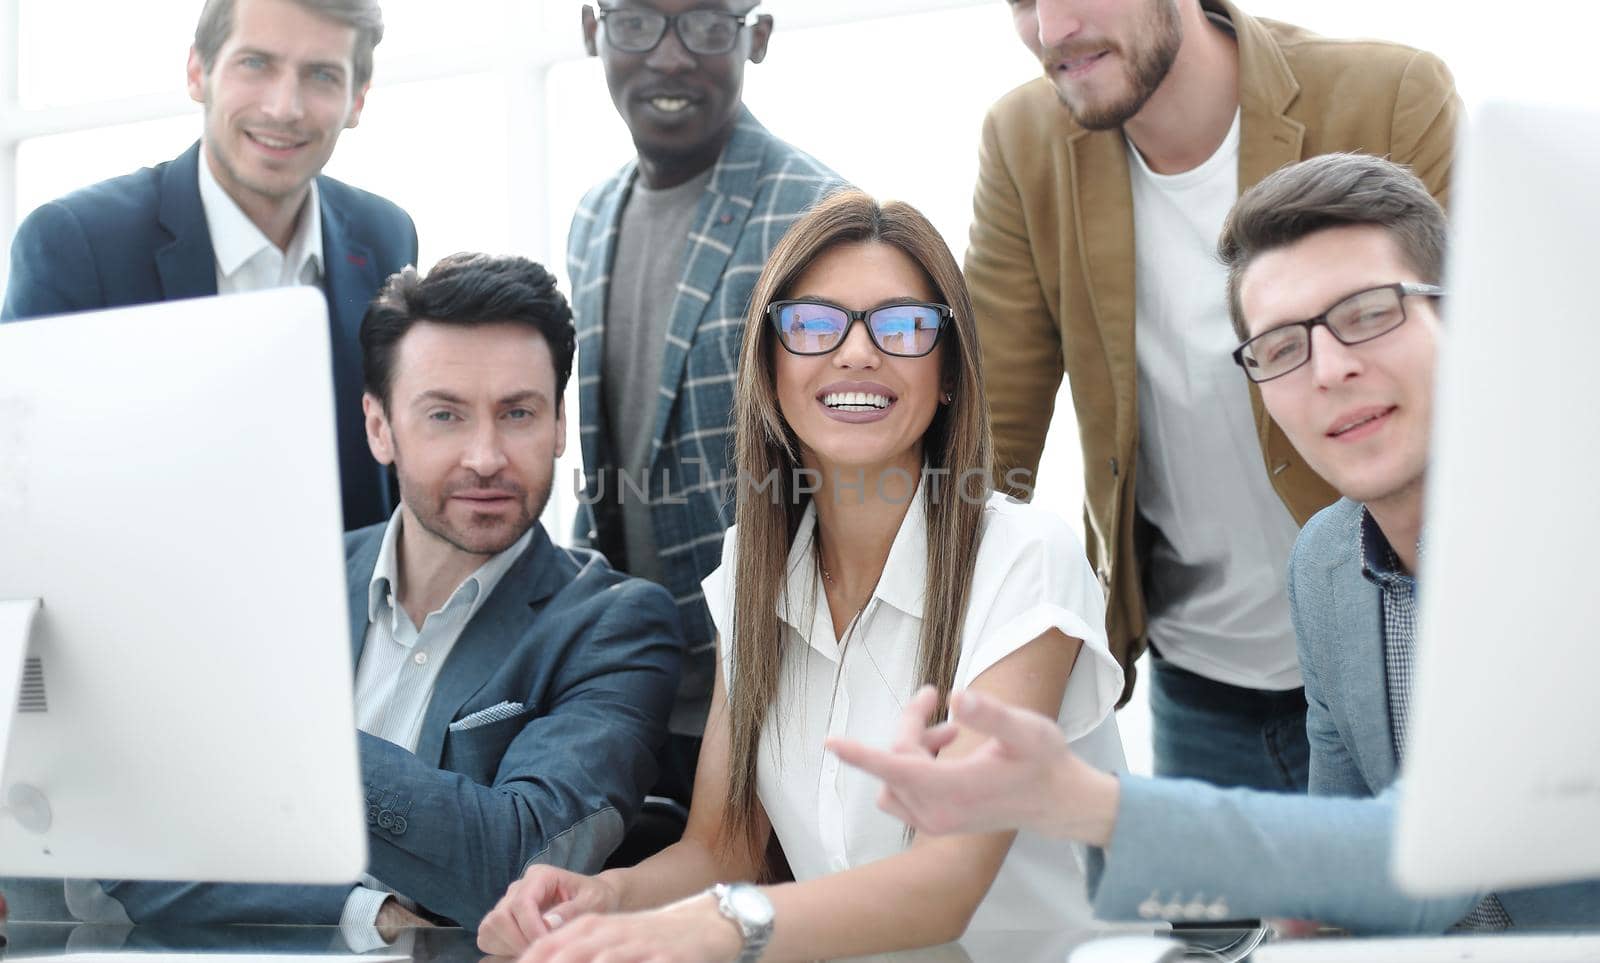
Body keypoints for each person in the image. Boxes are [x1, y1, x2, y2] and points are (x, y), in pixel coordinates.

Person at [831, 155, 1600, 932]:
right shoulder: (1327, 564)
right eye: (1283, 346)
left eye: (1369, 313)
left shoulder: (1569, 541)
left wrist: (1079, 800)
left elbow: (1430, 860)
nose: (1330, 369)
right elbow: (1330, 891)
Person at [475, 191, 1125, 962]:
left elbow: (947, 884)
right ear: (771, 366)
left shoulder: (1024, 559)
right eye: (814, 325)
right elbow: (723, 847)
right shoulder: (752, 564)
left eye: (902, 326)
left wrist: (713, 929)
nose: (856, 353)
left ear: (948, 373)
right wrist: (602, 895)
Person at [63, 254, 684, 941]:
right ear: (379, 427)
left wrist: (278, 729)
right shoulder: (274, 587)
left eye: (518, 413)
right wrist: (362, 912)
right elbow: (131, 841)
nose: (485, 455)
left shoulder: (616, 623)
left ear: (560, 425)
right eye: (445, 414)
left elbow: (516, 861)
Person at [968, 0, 1461, 789]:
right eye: (1022, 1)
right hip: (1198, 679)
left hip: (1415, 649)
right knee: (1229, 911)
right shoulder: (1023, 140)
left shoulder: (1390, 94)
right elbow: (989, 439)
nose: (1052, 29)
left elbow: (1493, 375)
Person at [568, 0, 844, 806]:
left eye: (706, 25)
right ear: (593, 29)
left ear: (756, 39)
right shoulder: (593, 215)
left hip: (785, 693)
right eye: (638, 23)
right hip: (643, 689)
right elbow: (607, 454)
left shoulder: (815, 213)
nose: (671, 56)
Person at [1, 0, 416, 532]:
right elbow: (23, 500)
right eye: (256, 64)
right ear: (198, 71)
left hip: (344, 605)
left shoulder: (384, 236)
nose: (284, 106)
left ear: (357, 100)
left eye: (321, 75)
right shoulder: (75, 245)